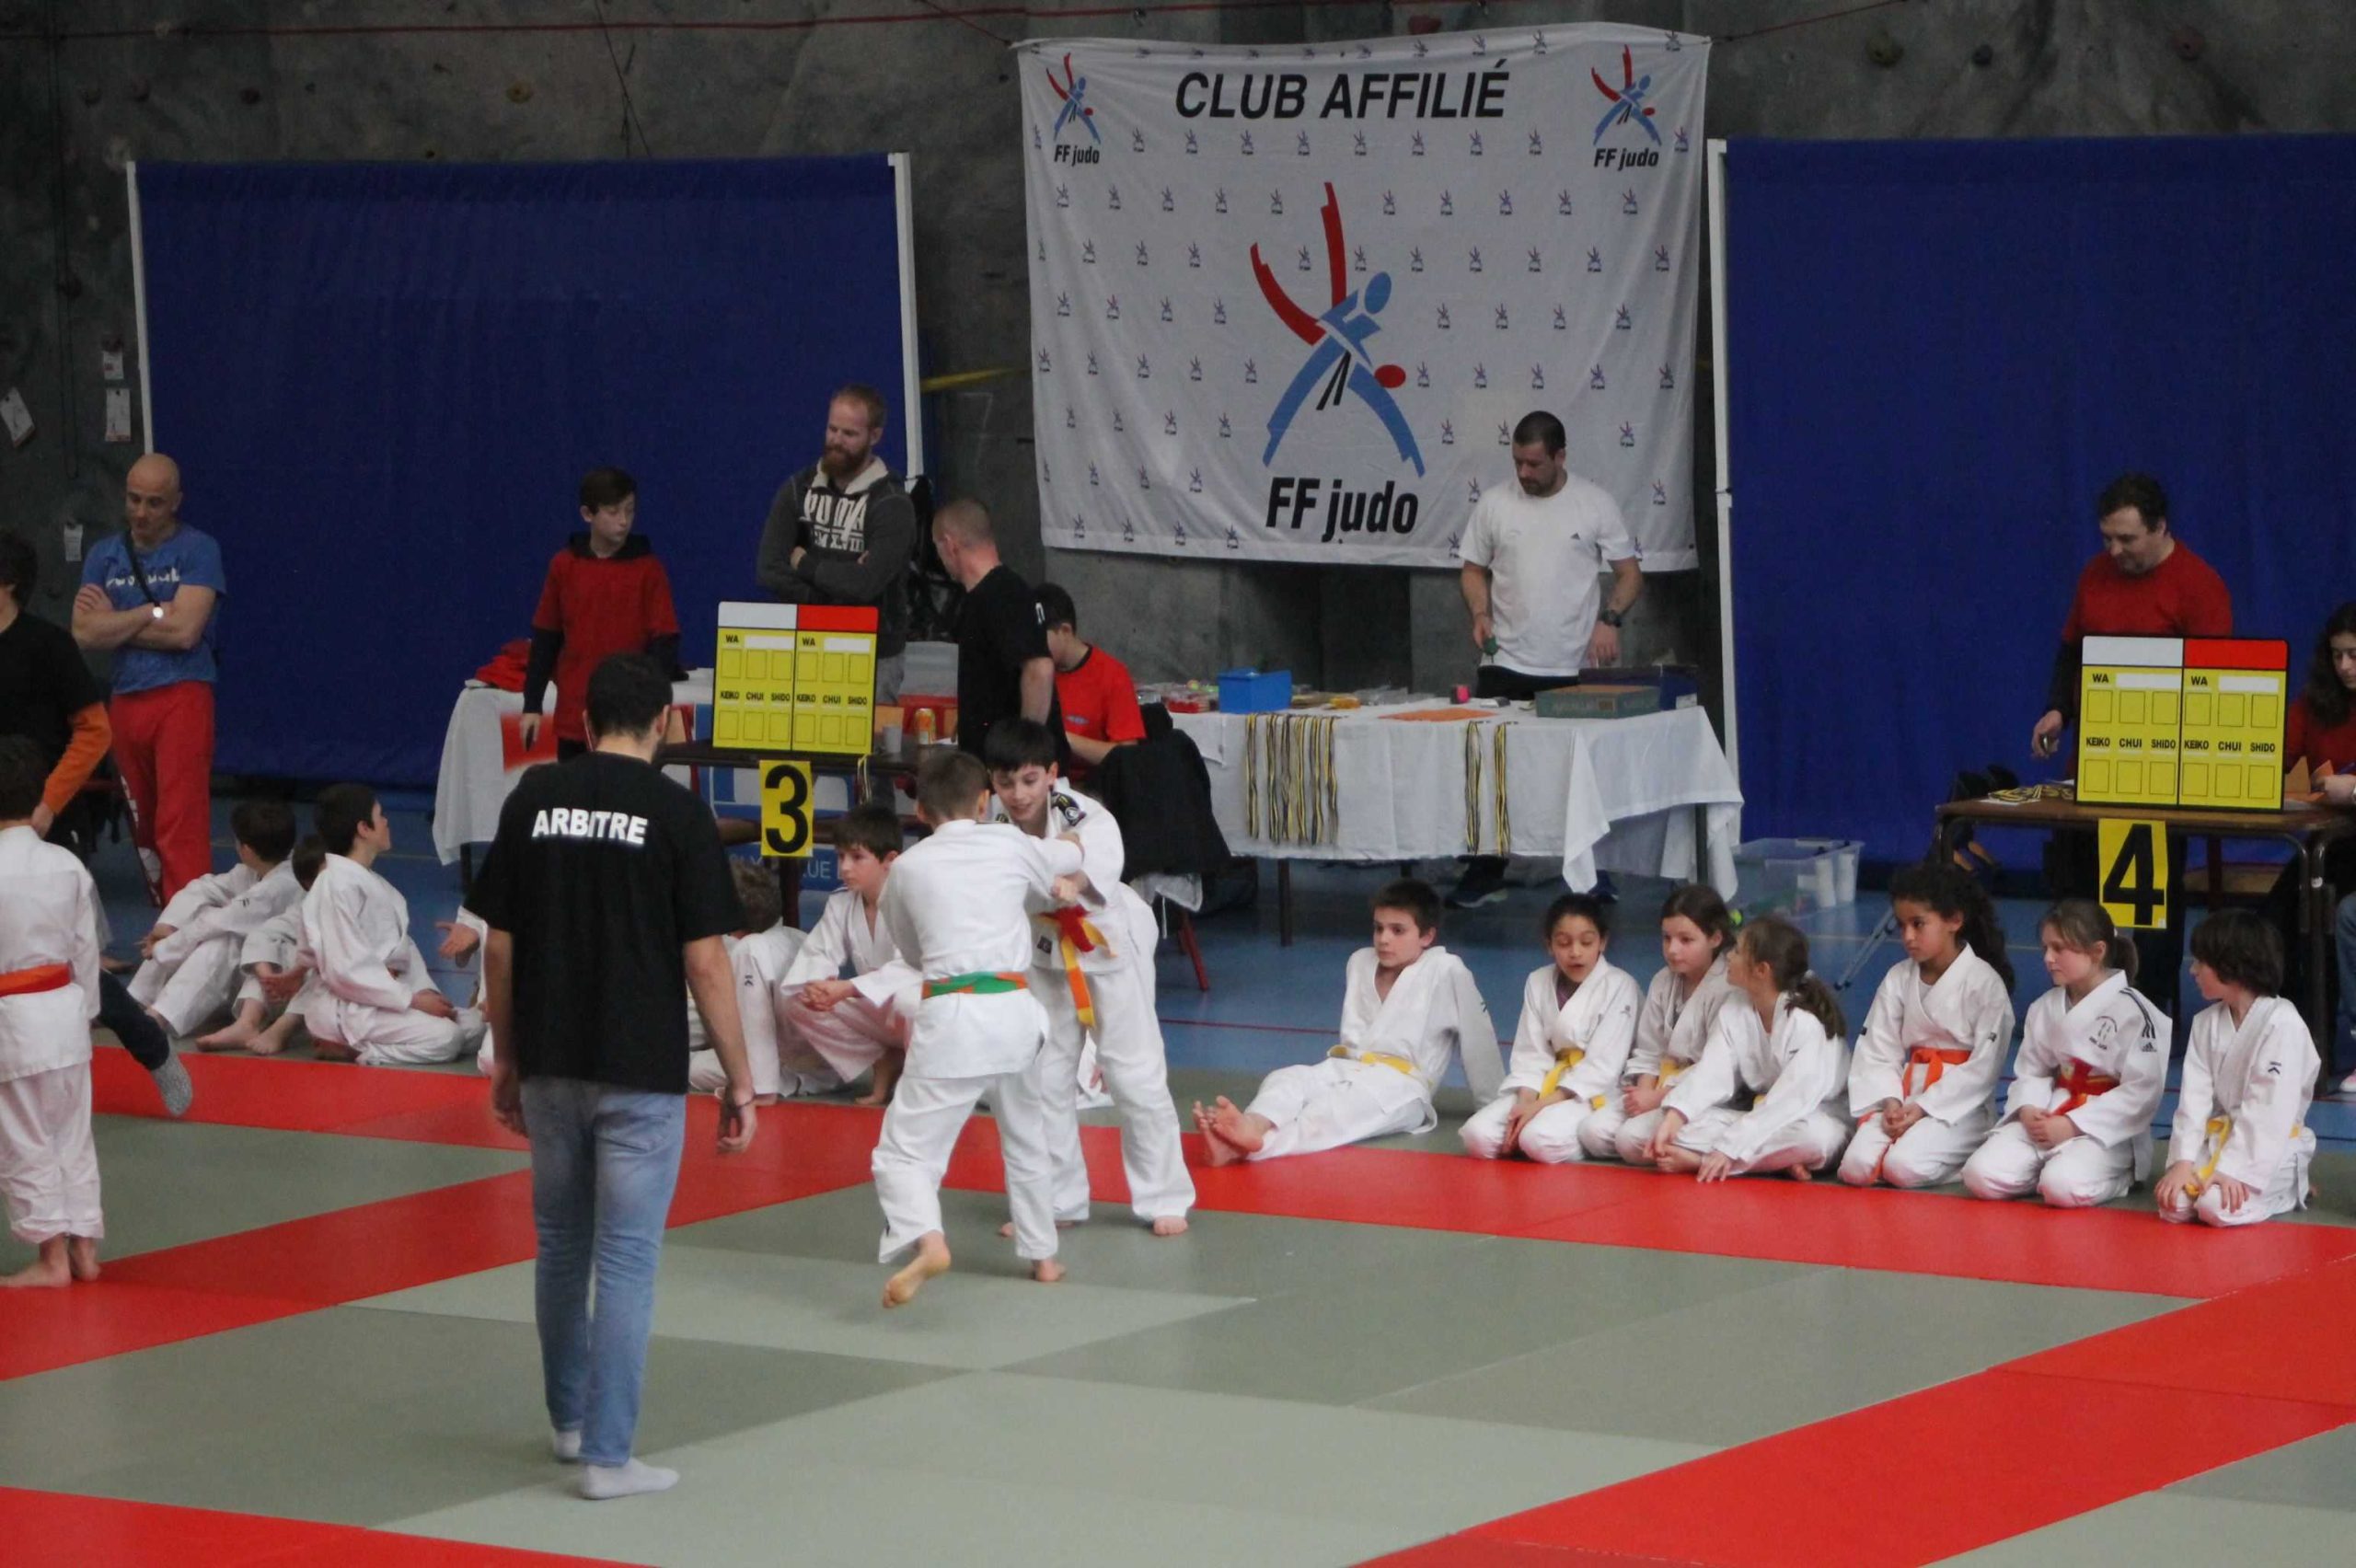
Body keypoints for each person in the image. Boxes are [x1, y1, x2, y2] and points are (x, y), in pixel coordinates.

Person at [473, 651, 760, 1499]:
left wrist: (506, 1056)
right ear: (668, 722)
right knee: (627, 1259)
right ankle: (608, 1457)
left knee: (562, 1246)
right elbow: (706, 961)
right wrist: (741, 1079)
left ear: (584, 721)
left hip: (551, 1058)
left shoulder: (532, 799)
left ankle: (569, 1425)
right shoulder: (678, 815)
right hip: (639, 1067)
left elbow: (498, 947)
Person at [871, 747, 1082, 1306]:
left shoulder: (907, 869)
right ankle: (1044, 1257)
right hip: (1016, 1010)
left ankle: (930, 1241)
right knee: (1026, 1133)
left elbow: (910, 950)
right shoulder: (1010, 843)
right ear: (986, 802)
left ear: (919, 810)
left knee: (905, 1153)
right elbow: (1058, 861)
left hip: (953, 1014)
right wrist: (1072, 846)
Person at [2028, 473, 2231, 1013]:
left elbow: (2214, 684)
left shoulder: (2199, 585)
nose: (2114, 551)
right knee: (2077, 884)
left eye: (2127, 539)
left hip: (2160, 771)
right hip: (2094, 762)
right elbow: (2072, 652)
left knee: (2150, 899)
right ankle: (2078, 999)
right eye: (2107, 538)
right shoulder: (2095, 575)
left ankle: (2149, 1005)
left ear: (2160, 528)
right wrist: (2059, 709)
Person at [986, 719, 1194, 1234]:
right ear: (993, 781)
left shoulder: (1081, 813)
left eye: (1029, 780)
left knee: (1132, 1072)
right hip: (1042, 954)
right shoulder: (992, 823)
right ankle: (1058, 1201)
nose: (1018, 794)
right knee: (1043, 1078)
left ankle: (1164, 1197)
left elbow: (1097, 855)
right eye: (1006, 782)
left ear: (1052, 774)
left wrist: (1075, 881)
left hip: (1106, 948)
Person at [1450, 411, 1642, 907]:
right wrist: (1480, 612)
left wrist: (1610, 619)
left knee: (1579, 778)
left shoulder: (1594, 503)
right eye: (1517, 462)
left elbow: (1629, 574)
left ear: (1560, 456)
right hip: (1505, 660)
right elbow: (1472, 570)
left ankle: (1591, 871)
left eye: (1534, 464)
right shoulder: (1494, 505)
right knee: (1493, 771)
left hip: (1572, 666)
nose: (1524, 473)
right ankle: (1485, 870)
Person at [1194, 880, 1501, 1164]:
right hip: (1345, 1067)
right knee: (1286, 1079)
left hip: (1402, 1087)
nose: (1384, 939)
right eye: (1378, 928)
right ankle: (1252, 1124)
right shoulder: (1360, 961)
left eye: (1397, 930)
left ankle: (1248, 1147)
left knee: (1331, 1112)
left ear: (1427, 936)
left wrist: (1493, 1110)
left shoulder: (1446, 970)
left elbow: (1479, 1041)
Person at [71, 453, 225, 903]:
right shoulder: (104, 555)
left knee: (180, 815)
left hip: (182, 692)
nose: (141, 512)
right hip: (126, 698)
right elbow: (84, 632)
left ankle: (187, 912)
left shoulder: (199, 550)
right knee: (143, 816)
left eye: (154, 503)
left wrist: (117, 622)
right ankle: (164, 905)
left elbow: (185, 633)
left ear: (176, 502)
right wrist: (152, 612)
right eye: (134, 499)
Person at [1963, 900, 2168, 1207]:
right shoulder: (2045, 1006)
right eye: (2046, 947)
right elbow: (2032, 1070)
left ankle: (2120, 1176)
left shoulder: (2137, 1012)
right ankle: (2045, 1170)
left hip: (2105, 1129)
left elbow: (2142, 1092)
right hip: (2051, 1111)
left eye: (2059, 949)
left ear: (2097, 951)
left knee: (2061, 1187)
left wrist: (2073, 1125)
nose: (2048, 958)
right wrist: (2029, 1108)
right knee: (1980, 1175)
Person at [1839, 864, 2019, 1189]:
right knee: (1855, 1167)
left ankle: (1970, 1154)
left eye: (1918, 924)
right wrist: (1891, 1101)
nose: (1908, 936)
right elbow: (1878, 1049)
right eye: (1902, 925)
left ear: (1954, 921)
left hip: (1960, 1107)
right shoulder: (1898, 977)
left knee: (1902, 1167)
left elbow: (1984, 1068)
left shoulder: (1985, 984)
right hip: (1907, 1093)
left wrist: (1924, 1107)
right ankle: (1909, 1138)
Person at [0, 736, 106, 1287]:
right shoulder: (66, 863)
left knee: (25, 1138)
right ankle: (84, 1250)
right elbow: (86, 951)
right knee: (72, 1135)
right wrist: (84, 1013)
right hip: (65, 1012)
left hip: (13, 1020)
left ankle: (51, 1259)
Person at [1646, 916, 1853, 1181]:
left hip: (1816, 1116)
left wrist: (1728, 1148)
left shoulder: (1805, 1023)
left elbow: (1790, 1102)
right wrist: (1677, 1116)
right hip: (1758, 1117)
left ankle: (1703, 1162)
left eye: (1737, 951)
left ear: (1761, 970)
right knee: (1645, 1135)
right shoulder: (1735, 1007)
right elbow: (1712, 1072)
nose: (1729, 956)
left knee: (1816, 1138)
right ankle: (1777, 1162)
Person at [298, 784, 483, 1066]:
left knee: (478, 1026)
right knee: (447, 1038)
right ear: (364, 828)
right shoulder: (334, 885)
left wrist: (425, 992)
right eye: (380, 815)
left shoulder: (370, 881)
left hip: (386, 997)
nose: (386, 822)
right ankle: (358, 1050)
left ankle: (384, 1035)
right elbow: (344, 969)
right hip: (350, 1006)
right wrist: (412, 1000)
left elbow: (404, 949)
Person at [756, 385, 918, 703]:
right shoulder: (798, 488)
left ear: (875, 436)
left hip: (875, 652)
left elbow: (866, 584)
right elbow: (768, 570)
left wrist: (805, 564)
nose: (837, 441)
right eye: (832, 429)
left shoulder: (892, 503)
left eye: (849, 434)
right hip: (807, 642)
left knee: (869, 737)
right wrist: (833, 598)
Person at [2156, 910, 2319, 1228]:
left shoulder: (2283, 1023)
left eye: (2200, 962)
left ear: (2232, 966)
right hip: (2221, 1138)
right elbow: (2194, 1100)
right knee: (2173, 1204)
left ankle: (2289, 1189)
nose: (2192, 970)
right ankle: (2218, 1173)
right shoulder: (2205, 1023)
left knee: (2215, 1207)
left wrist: (2233, 1169)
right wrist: (2182, 1161)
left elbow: (2268, 1110)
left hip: (2269, 1147)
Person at [1461, 894, 1639, 1162]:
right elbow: (1530, 1054)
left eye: (1586, 942)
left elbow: (1603, 1067)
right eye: (1564, 943)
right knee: (1477, 1136)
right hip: (1546, 1083)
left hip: (1593, 1091)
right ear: (1549, 945)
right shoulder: (1538, 981)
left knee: (1536, 1139)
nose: (1575, 952)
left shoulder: (1620, 986)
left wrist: (1538, 1107)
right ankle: (1524, 1136)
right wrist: (1524, 1104)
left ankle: (1564, 1142)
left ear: (1603, 942)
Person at [518, 468, 682, 761]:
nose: (624, 521)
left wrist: (649, 704)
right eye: (613, 511)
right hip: (574, 714)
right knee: (573, 787)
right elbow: (546, 638)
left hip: (629, 721)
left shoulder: (649, 569)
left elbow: (665, 644)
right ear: (587, 514)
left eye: (630, 510)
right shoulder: (564, 566)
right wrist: (532, 705)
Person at [777, 803, 918, 1105]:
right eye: (841, 856)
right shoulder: (841, 903)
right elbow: (819, 952)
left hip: (914, 1013)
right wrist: (817, 986)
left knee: (910, 1001)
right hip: (876, 1012)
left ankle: (919, 1083)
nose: (845, 867)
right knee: (797, 999)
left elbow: (910, 967)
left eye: (857, 857)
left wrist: (848, 988)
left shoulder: (911, 900)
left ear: (890, 860)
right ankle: (881, 1060)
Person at [127, 800, 300, 1039]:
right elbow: (204, 888)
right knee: (198, 920)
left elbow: (217, 922)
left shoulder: (281, 885)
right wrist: (167, 926)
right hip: (251, 976)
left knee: (222, 940)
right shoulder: (257, 869)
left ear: (246, 850)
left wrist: (161, 948)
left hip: (276, 986)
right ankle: (135, 1000)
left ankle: (159, 1017)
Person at [2278, 602, 2356, 1086]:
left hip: (2345, 848)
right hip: (2327, 843)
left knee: (2328, 919)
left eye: (2354, 655)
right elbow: (2282, 761)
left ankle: (2324, 1042)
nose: (2344, 666)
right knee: (2279, 917)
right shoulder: (2314, 704)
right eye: (2337, 655)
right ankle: (2293, 1040)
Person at [1605, 885, 1739, 1165]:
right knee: (1593, 1131)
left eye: (1686, 940)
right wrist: (1644, 1093)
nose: (1673, 950)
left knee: (1629, 1139)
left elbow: (1717, 1070)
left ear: (1715, 938)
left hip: (1708, 1098)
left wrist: (1657, 1099)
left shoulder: (1728, 988)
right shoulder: (1662, 980)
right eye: (1667, 938)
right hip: (1659, 1088)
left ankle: (1697, 1156)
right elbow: (1649, 1050)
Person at [0, 531, 111, 845]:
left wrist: (49, 803)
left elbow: (95, 732)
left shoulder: (51, 645)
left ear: (10, 582)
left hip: (45, 816)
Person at [930, 499, 1061, 759]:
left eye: (937, 548)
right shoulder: (983, 598)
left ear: (949, 545)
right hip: (991, 761)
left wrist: (1025, 751)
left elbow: (1040, 669)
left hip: (1015, 769)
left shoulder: (1004, 594)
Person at [194, 836, 328, 1055]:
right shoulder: (306, 905)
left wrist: (298, 971)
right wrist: (269, 980)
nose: (334, 881)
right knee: (278, 949)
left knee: (325, 966)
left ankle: (283, 1028)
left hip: (352, 987)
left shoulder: (362, 895)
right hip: (292, 989)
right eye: (325, 877)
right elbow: (264, 933)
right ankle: (247, 1022)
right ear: (308, 885)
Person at [687, 861, 803, 1102]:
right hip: (808, 1061)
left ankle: (772, 1081)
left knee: (691, 1067)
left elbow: (752, 1025)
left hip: (774, 1061)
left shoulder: (750, 949)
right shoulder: (796, 937)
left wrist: (761, 1086)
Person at [1035, 582, 1146, 780]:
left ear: (1065, 631)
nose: (1032, 647)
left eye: (1038, 639)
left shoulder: (1112, 675)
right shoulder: (1030, 671)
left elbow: (1128, 756)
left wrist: (1063, 739)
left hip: (1090, 785)